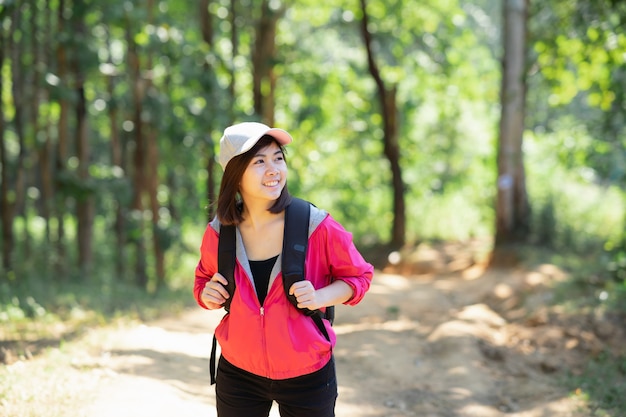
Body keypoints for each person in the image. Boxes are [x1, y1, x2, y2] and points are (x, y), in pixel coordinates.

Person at [193, 121, 374, 417]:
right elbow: (203, 281)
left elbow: (359, 276)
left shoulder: (315, 225)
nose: (273, 169)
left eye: (278, 158)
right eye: (259, 162)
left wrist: (319, 296)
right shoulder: (219, 232)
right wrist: (206, 294)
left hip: (308, 373)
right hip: (239, 372)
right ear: (235, 173)